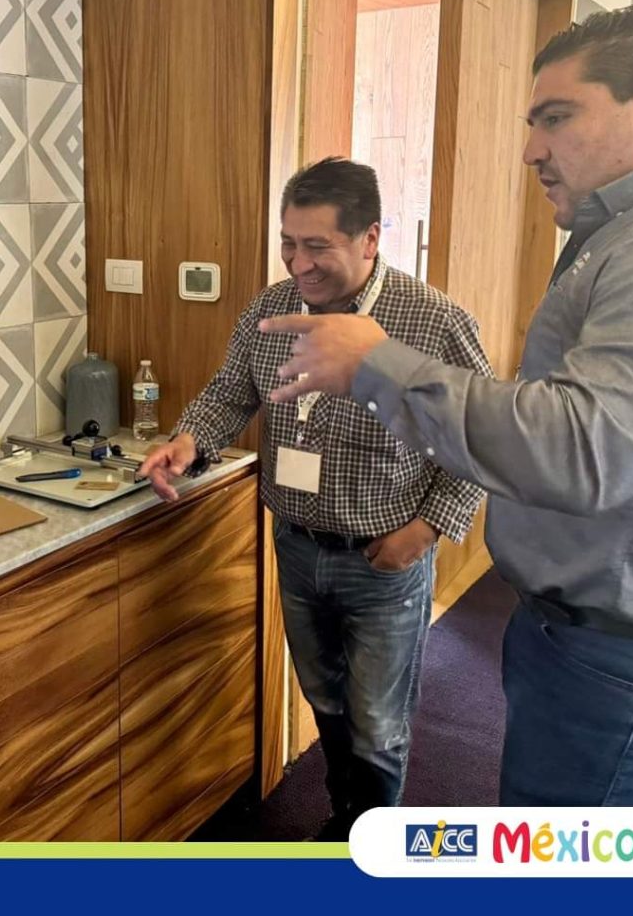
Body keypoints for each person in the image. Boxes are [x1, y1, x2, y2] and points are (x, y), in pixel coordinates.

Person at [260, 4, 633, 814]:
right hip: (589, 640)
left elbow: (582, 446)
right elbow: (232, 388)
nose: (531, 150)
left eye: (557, 117)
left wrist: (377, 369)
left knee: (562, 862)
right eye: (288, 244)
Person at [137, 157, 492, 838]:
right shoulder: (271, 309)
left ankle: (374, 839)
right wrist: (187, 441)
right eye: (288, 243)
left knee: (378, 724)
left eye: (317, 246)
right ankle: (346, 819)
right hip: (297, 547)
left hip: (384, 559)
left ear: (370, 238)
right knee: (326, 701)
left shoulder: (432, 321)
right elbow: (229, 393)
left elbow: (479, 437)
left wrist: (426, 530)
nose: (299, 263)